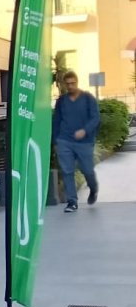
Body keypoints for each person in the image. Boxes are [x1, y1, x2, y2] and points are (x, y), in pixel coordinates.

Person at [53, 71, 100, 212]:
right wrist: (55, 141)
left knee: (87, 170)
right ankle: (72, 201)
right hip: (64, 140)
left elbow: (95, 118)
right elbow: (56, 121)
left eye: (73, 83)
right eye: (68, 84)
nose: (70, 86)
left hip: (84, 142)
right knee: (67, 171)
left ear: (77, 82)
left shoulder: (88, 98)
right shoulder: (61, 101)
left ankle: (93, 188)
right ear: (64, 85)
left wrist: (85, 130)